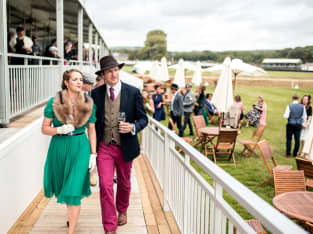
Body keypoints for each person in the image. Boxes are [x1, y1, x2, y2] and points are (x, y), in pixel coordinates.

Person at [91, 56, 148, 234]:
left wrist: (133, 127)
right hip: (105, 146)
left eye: (116, 69)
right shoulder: (95, 94)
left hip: (125, 146)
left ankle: (122, 209)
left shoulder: (133, 92)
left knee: (124, 183)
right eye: (109, 71)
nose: (113, 74)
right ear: (103, 75)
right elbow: (92, 122)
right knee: (106, 186)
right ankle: (109, 226)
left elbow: (144, 119)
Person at [41, 69, 97, 234]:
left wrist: (93, 154)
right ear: (66, 82)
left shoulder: (88, 103)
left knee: (74, 191)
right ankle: (71, 218)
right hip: (60, 147)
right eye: (75, 79)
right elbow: (44, 128)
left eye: (81, 79)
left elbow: (92, 129)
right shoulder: (54, 102)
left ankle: (70, 231)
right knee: (64, 186)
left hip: (80, 146)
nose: (79, 82)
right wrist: (59, 130)